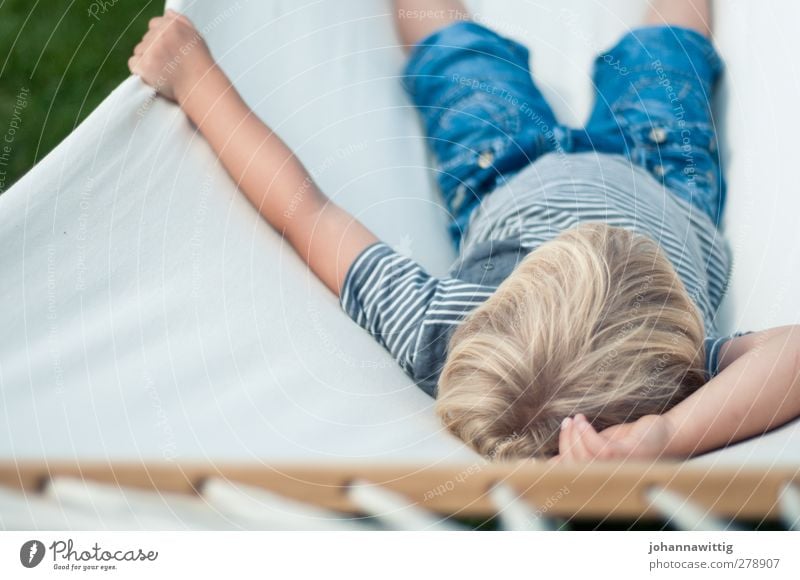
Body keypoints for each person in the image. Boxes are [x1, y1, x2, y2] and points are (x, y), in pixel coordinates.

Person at [128, 0, 800, 463]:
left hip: (503, 168)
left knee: (447, 49)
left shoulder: (442, 329)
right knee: (672, 47)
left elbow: (309, 212)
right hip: (664, 171)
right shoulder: (664, 370)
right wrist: (667, 435)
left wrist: (199, 82)